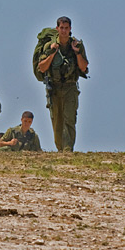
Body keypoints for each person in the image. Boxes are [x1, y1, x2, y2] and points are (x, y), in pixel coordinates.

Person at [36, 16, 89, 151]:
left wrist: (77, 53)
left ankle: (67, 149)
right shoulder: (50, 46)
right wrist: (52, 53)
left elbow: (83, 67)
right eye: (62, 28)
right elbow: (42, 67)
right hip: (54, 87)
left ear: (70, 29)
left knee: (70, 119)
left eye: (66, 28)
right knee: (57, 121)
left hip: (70, 87)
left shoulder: (77, 45)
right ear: (57, 29)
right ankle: (60, 149)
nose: (64, 31)